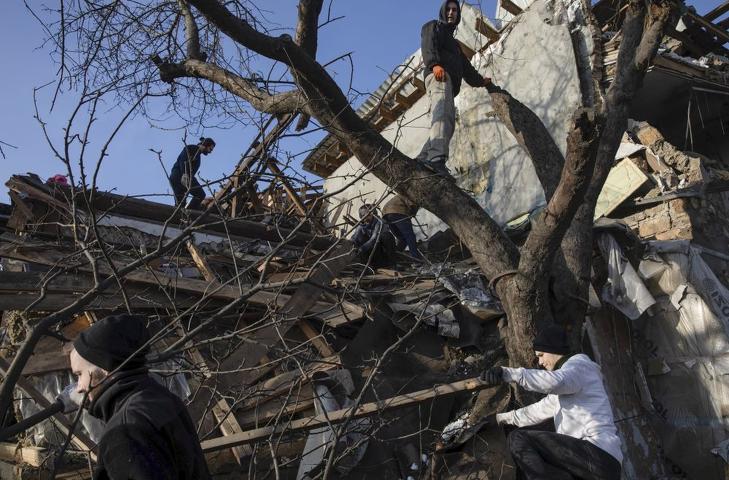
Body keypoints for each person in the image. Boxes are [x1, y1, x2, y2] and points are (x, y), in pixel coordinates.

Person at [68, 314, 211, 480]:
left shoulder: (125, 430)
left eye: (79, 374)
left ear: (105, 367)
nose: (78, 387)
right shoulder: (162, 399)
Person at [481, 325, 622, 480]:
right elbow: (537, 411)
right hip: (596, 465)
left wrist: (508, 373)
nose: (540, 362)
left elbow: (556, 381)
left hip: (596, 452)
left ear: (554, 350)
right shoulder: (567, 387)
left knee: (519, 439)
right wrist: (499, 419)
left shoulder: (580, 366)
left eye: (541, 355)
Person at [418, 1, 495, 177]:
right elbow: (428, 44)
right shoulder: (434, 26)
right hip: (439, 76)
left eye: (455, 10)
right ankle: (436, 159)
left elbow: (467, 70)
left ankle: (423, 159)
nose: (452, 12)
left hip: (449, 86)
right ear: (443, 12)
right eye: (448, 9)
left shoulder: (455, 46)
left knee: (447, 123)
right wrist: (435, 64)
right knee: (443, 118)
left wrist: (480, 81)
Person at [169, 137, 216, 210]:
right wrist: (184, 174)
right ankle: (189, 213)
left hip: (179, 178)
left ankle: (186, 214)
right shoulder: (192, 148)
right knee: (200, 194)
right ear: (206, 145)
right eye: (210, 149)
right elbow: (183, 160)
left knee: (180, 205)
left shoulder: (197, 155)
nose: (210, 152)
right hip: (179, 176)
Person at [382, 195, 422, 260]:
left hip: (386, 214)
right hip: (397, 212)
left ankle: (396, 258)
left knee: (402, 238)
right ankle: (416, 259)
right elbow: (413, 205)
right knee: (410, 236)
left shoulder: (397, 197)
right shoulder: (410, 196)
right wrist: (413, 213)